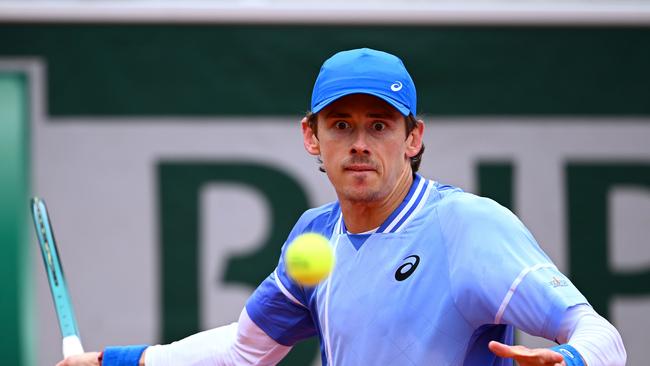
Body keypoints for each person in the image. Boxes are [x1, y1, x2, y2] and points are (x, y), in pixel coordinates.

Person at [58, 48, 626, 366]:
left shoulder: (468, 226)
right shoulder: (315, 238)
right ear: (312, 137)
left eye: (379, 125)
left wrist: (573, 363)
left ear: (413, 138)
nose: (359, 143)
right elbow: (241, 351)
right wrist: (113, 361)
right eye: (341, 125)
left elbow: (601, 335)